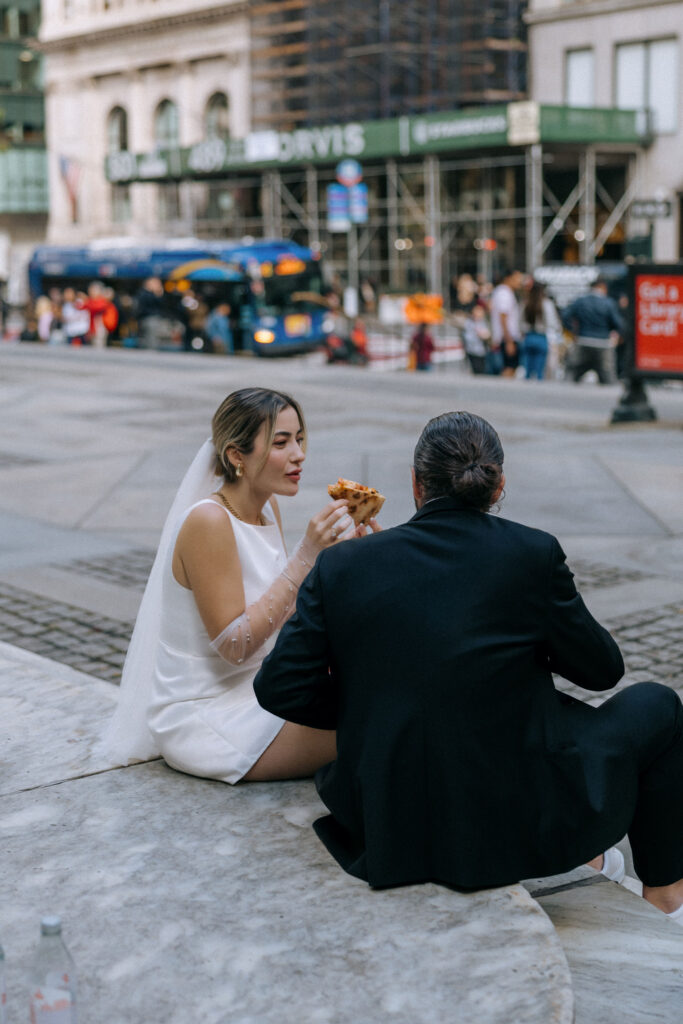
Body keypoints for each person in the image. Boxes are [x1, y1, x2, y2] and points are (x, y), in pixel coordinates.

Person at [254, 411, 683, 922]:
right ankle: (666, 895)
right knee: (658, 704)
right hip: (514, 826)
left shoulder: (346, 564)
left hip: (392, 829)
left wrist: (366, 705)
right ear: (498, 485)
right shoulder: (531, 553)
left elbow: (279, 686)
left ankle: (606, 862)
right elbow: (602, 671)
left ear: (415, 483)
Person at [103, 387, 364, 783]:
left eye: (299, 439)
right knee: (374, 730)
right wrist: (306, 556)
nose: (299, 454)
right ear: (236, 456)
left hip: (264, 692)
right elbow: (234, 645)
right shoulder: (208, 522)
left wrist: (339, 559)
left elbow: (282, 611)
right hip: (207, 716)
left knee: (380, 696)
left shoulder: (266, 508)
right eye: (281, 442)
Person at [561, 276, 623, 385]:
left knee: (572, 372)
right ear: (603, 287)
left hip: (583, 340)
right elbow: (618, 323)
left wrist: (573, 331)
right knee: (608, 376)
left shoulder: (581, 301)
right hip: (603, 343)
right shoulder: (608, 303)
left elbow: (565, 315)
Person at [519, 280, 561, 381]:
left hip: (528, 336)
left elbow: (519, 322)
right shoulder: (547, 304)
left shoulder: (525, 303)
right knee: (540, 371)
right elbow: (553, 323)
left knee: (527, 369)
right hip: (541, 337)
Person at [490, 269, 523, 377]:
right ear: (508, 278)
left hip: (506, 337)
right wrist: (509, 341)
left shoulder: (503, 292)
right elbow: (503, 317)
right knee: (509, 369)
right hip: (507, 338)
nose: (519, 282)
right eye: (517, 278)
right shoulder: (504, 293)